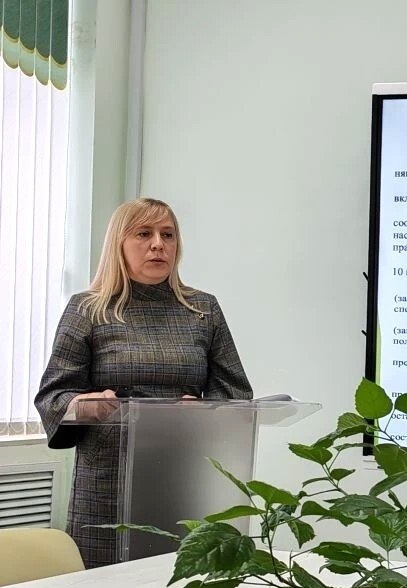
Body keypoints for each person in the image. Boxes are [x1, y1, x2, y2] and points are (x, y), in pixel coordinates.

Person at [34, 198, 252, 568]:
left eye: (168, 235)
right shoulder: (88, 308)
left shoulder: (204, 309)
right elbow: (53, 395)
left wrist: (205, 411)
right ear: (118, 243)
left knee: (180, 584)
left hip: (185, 477)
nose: (158, 244)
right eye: (143, 234)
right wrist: (84, 405)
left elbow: (236, 392)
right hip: (107, 483)